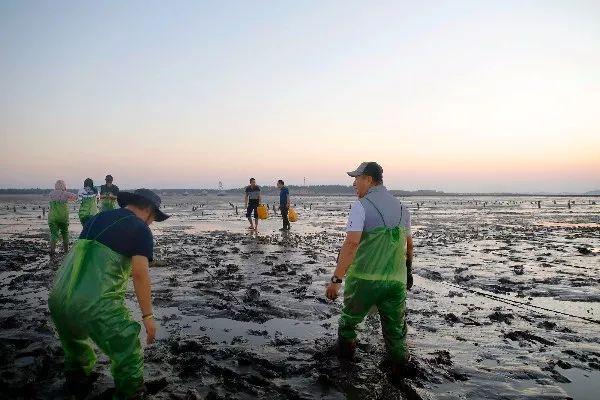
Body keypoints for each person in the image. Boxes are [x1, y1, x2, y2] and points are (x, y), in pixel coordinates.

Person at [48, 189, 170, 399]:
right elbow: (140, 274)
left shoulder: (96, 218)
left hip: (59, 297)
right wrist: (148, 316)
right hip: (95, 303)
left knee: (76, 351)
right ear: (149, 210)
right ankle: (130, 393)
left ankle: (77, 386)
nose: (151, 224)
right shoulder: (139, 228)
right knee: (128, 347)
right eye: (153, 219)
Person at [325, 162, 414, 376]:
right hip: (396, 282)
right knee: (395, 331)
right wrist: (408, 271)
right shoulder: (403, 208)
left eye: (357, 178)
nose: (354, 184)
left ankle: (345, 368)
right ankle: (400, 372)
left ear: (369, 180)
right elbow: (409, 245)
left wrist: (336, 280)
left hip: (364, 280)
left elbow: (351, 244)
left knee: (348, 323)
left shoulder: (361, 206)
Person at [48, 180, 77, 258]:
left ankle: (52, 251)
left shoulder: (51, 194)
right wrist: (66, 193)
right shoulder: (65, 193)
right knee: (65, 234)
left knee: (53, 234)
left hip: (52, 217)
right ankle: (66, 251)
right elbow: (75, 197)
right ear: (64, 186)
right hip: (63, 218)